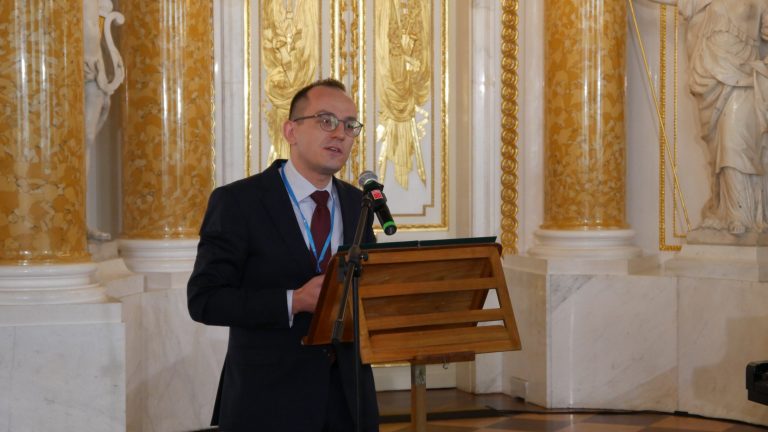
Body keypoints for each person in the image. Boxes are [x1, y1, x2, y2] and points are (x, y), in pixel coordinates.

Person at [188, 78, 379, 431]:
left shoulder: (359, 204)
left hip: (348, 398)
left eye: (350, 125)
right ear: (291, 131)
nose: (340, 134)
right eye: (326, 121)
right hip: (267, 399)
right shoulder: (239, 202)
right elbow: (205, 300)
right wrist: (294, 301)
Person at [644, 0, 768, 235]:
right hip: (709, 78)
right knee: (718, 151)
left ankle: (742, 215)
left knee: (734, 143)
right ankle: (724, 210)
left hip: (742, 78)